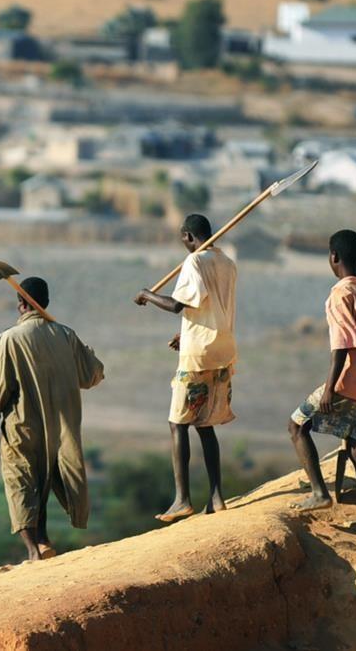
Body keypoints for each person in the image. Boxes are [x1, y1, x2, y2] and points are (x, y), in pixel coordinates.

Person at [0, 276, 105, 561]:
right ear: (45, 303)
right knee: (44, 480)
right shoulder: (66, 335)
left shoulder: (10, 339)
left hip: (22, 426)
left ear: (21, 304)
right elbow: (93, 374)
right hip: (59, 428)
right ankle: (44, 541)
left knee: (21, 483)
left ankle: (33, 550)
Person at [134, 213, 238, 522]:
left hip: (199, 356)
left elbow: (179, 305)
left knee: (178, 422)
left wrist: (147, 295)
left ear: (188, 237)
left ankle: (182, 500)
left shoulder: (195, 262)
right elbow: (210, 309)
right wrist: (187, 333)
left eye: (183, 240)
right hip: (223, 350)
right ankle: (217, 496)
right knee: (204, 424)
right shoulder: (228, 263)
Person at [287, 230, 356, 540]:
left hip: (350, 379)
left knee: (297, 425)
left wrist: (330, 387)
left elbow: (342, 345)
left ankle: (319, 492)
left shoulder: (340, 294)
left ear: (333, 257)